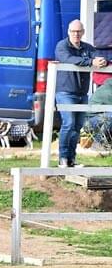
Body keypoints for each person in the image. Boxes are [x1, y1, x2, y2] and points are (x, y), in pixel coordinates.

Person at [55, 19, 108, 168]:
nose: (76, 34)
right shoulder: (62, 46)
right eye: (73, 31)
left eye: (78, 31)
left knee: (77, 126)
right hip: (65, 92)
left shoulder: (87, 48)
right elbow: (68, 59)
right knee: (69, 123)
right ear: (68, 32)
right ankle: (63, 158)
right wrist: (90, 62)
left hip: (82, 93)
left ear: (83, 32)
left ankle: (71, 159)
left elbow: (98, 57)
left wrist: (102, 61)